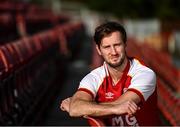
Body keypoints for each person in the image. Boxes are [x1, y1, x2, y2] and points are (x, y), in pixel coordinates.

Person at [60, 21, 161, 126]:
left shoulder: (144, 73)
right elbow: (75, 109)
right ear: (99, 50)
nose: (113, 52)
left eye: (117, 45)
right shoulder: (94, 77)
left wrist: (85, 106)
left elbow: (122, 103)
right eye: (107, 47)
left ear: (125, 44)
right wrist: (115, 108)